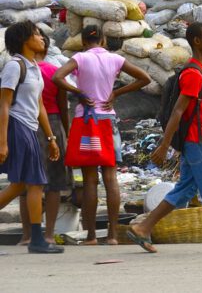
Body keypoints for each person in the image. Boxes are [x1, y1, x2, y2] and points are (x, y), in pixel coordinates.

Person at [128, 22, 202, 254]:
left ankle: (143, 228)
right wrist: (164, 145)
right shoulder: (193, 73)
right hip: (199, 141)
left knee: (184, 189)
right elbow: (178, 111)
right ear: (197, 41)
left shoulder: (201, 70)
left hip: (197, 141)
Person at [52, 24, 150, 245]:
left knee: (89, 180)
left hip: (85, 121)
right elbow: (145, 78)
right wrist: (116, 92)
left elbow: (58, 77)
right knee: (110, 177)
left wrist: (78, 92)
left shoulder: (80, 58)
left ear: (84, 42)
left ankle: (92, 236)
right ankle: (114, 235)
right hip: (107, 120)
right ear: (104, 41)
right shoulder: (115, 59)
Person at [0, 21, 64, 253]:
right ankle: (37, 240)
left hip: (30, 128)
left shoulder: (35, 67)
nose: (41, 38)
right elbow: (4, 105)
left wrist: (51, 138)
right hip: (17, 127)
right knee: (35, 183)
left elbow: (39, 106)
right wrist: (3, 142)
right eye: (36, 34)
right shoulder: (14, 66)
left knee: (20, 186)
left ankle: (37, 239)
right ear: (24, 39)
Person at [18, 34, 71, 246]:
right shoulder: (53, 72)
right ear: (46, 50)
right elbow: (63, 104)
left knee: (25, 184)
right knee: (54, 183)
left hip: (24, 125)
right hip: (53, 123)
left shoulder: (20, 70)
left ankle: (27, 235)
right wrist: (64, 133)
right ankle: (48, 234)